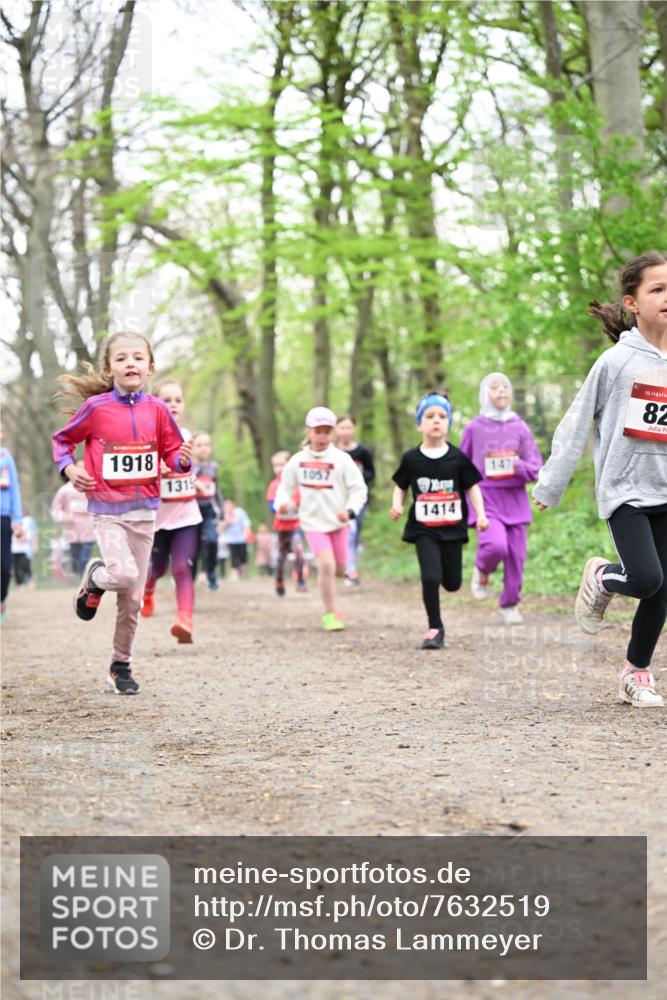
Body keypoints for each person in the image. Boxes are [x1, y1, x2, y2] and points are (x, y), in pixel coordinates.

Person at [533, 251, 667, 708]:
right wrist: (551, 483)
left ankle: (636, 674)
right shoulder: (615, 363)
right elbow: (576, 422)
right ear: (632, 303)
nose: (666, 297)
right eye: (657, 289)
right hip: (625, 490)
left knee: (663, 589)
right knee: (646, 579)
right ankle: (603, 576)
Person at [52, 332, 192, 694]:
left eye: (138, 357)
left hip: (144, 512)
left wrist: (181, 460)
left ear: (150, 367)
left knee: (132, 599)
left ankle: (120, 665)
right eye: (121, 358)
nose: (131, 363)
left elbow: (172, 452)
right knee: (124, 574)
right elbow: (62, 440)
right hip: (107, 510)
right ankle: (96, 577)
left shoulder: (157, 410)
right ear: (109, 368)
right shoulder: (97, 408)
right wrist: (70, 468)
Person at [391, 393, 489, 649]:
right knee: (431, 577)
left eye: (442, 416)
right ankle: (435, 628)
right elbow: (400, 485)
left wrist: (480, 514)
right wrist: (397, 504)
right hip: (423, 529)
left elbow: (472, 487)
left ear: (448, 423)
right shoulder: (411, 459)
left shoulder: (457, 458)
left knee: (453, 584)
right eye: (430, 416)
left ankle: (451, 584)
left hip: (452, 529)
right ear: (419, 424)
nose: (436, 420)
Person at [460, 373, 542, 624]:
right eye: (494, 387)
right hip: (485, 499)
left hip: (515, 500)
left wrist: (517, 466)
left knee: (516, 556)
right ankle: (482, 568)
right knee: (496, 545)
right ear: (484, 394)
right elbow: (461, 465)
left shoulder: (520, 427)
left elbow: (536, 467)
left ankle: (510, 604)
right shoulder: (474, 427)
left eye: (505, 386)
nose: (501, 391)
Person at [276, 406, 367, 631]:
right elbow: (285, 487)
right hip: (313, 523)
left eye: (327, 432)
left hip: (339, 522)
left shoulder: (342, 459)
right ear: (308, 432)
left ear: (333, 433)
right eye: (318, 432)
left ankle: (331, 601)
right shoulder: (297, 460)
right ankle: (330, 613)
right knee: (326, 565)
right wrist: (283, 503)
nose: (322, 437)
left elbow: (359, 489)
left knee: (339, 569)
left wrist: (350, 510)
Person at [140, 381, 202, 644]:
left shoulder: (186, 435)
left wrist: (187, 470)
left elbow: (189, 468)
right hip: (157, 518)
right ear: (155, 404)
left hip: (186, 515)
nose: (173, 405)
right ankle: (148, 590)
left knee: (182, 567)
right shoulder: (145, 436)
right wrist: (156, 470)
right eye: (167, 400)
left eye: (178, 400)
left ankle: (184, 620)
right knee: (157, 568)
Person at [335, 415, 375, 587]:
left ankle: (348, 566)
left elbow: (371, 473)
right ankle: (347, 569)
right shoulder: (332, 451)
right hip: (337, 500)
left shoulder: (362, 452)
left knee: (353, 533)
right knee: (347, 533)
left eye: (348, 427)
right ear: (336, 430)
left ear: (354, 429)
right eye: (342, 427)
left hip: (358, 500)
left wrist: (357, 479)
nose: (345, 431)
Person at [266, 449, 306, 597]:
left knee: (299, 551)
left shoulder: (297, 484)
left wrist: (296, 504)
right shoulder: (274, 485)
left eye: (282, 464)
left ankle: (300, 580)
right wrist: (279, 507)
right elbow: (271, 504)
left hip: (296, 524)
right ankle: (279, 581)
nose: (278, 468)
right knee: (281, 556)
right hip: (282, 526)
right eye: (275, 465)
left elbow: (303, 501)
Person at [51, 460, 96, 576]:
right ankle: (79, 577)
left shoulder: (93, 487)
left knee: (84, 560)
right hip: (72, 532)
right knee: (75, 563)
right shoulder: (65, 490)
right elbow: (55, 511)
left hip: (89, 531)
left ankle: (84, 580)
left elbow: (100, 506)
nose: (83, 471)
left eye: (85, 468)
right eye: (79, 468)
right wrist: (65, 517)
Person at [190, 432, 223, 590]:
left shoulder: (213, 468)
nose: (203, 448)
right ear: (191, 449)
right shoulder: (188, 466)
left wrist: (222, 514)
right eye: (199, 445)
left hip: (208, 510)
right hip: (190, 511)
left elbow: (217, 491)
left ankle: (211, 573)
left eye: (207, 445)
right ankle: (189, 580)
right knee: (193, 547)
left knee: (212, 540)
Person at [0, 431, 24, 621]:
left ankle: (1, 599)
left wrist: (17, 520)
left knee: (4, 567)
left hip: (3, 517)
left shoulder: (6, 458)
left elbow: (14, 489)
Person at [220, 499, 252, 580]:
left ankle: (243, 571)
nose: (228, 507)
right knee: (233, 556)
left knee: (243, 555)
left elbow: (246, 522)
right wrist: (226, 522)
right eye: (226, 506)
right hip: (231, 539)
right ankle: (234, 573)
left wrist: (247, 532)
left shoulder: (239, 512)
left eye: (229, 505)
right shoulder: (224, 515)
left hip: (241, 538)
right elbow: (221, 529)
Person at [12, 508, 38, 587]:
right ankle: (20, 585)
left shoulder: (29, 520)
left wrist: (35, 546)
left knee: (25, 566)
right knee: (16, 568)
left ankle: (31, 580)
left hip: (25, 549)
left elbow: (34, 534)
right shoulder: (11, 520)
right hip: (14, 549)